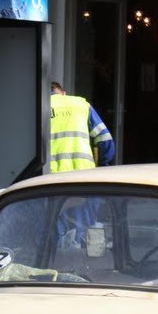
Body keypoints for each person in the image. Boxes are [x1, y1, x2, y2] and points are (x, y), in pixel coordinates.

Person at [50, 82, 115, 246]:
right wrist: (102, 166)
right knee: (84, 229)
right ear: (63, 93)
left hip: (51, 179)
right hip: (84, 177)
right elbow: (105, 140)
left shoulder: (39, 108)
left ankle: (60, 262)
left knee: (55, 229)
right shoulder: (80, 104)